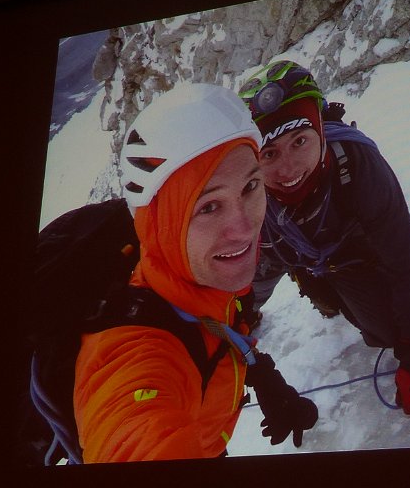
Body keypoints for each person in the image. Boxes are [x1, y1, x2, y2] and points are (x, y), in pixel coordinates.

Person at [72, 82, 317, 462]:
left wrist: (263, 377)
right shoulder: (136, 354)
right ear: (161, 224)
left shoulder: (197, 280)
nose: (244, 227)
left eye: (251, 186)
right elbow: (132, 433)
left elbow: (215, 330)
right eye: (207, 207)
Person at [236, 59, 410, 415]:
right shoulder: (252, 200)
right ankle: (322, 289)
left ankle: (341, 288)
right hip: (304, 259)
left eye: (300, 140)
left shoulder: (357, 163)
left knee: (386, 333)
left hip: (354, 254)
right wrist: (241, 313)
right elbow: (264, 262)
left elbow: (404, 260)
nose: (288, 170)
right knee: (315, 284)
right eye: (268, 153)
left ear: (319, 127)